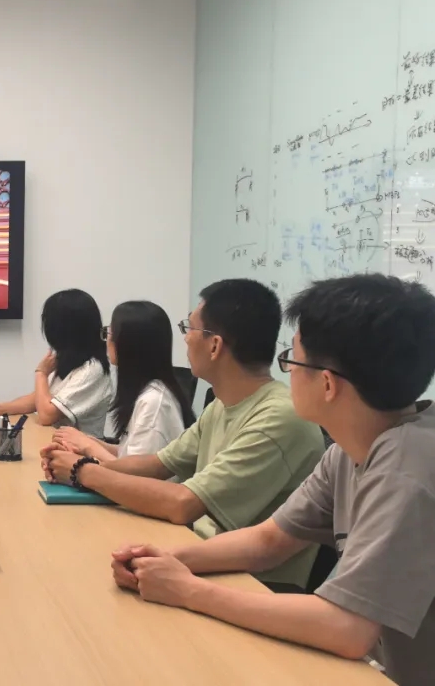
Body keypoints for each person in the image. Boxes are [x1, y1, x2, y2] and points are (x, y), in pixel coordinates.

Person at [111, 275, 435, 686]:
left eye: (292, 360)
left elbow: (347, 628)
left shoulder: (406, 467)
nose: (287, 373)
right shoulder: (349, 449)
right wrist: (169, 559)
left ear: (327, 383)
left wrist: (189, 591)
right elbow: (269, 540)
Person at [42, 279, 325, 591]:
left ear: (214, 345)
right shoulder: (223, 404)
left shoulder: (278, 417)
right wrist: (79, 464)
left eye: (189, 328)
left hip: (250, 583)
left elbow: (183, 504)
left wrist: (84, 472)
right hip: (201, 555)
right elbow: (157, 464)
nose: (186, 339)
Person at [53, 300, 195, 459]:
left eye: (110, 333)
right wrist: (87, 442)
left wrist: (89, 446)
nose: (107, 339)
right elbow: (127, 454)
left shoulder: (154, 402)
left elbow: (135, 471)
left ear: (130, 343)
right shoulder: (146, 391)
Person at [0, 289, 113, 436]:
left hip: (78, 449)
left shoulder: (92, 370)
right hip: (53, 442)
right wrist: (0, 408)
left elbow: (46, 416)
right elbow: (38, 399)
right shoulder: (69, 359)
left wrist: (41, 373)